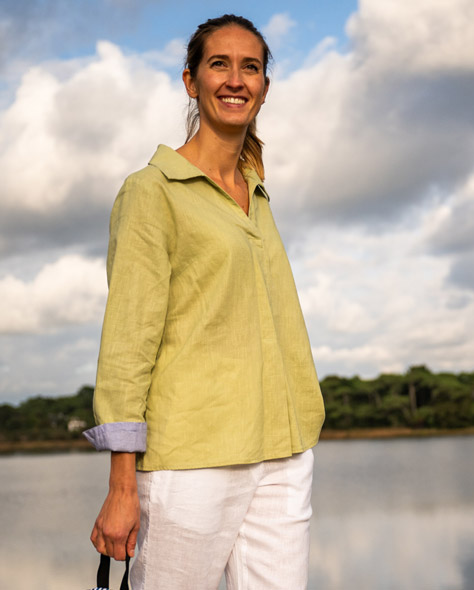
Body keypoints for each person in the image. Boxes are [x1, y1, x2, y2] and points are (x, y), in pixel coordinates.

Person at [83, 14, 325, 590]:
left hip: (284, 454)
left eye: (250, 67)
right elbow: (127, 343)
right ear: (191, 81)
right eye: (220, 64)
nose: (236, 79)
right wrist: (121, 486)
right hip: (191, 460)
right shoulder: (151, 191)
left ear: (264, 86)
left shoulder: (256, 192)